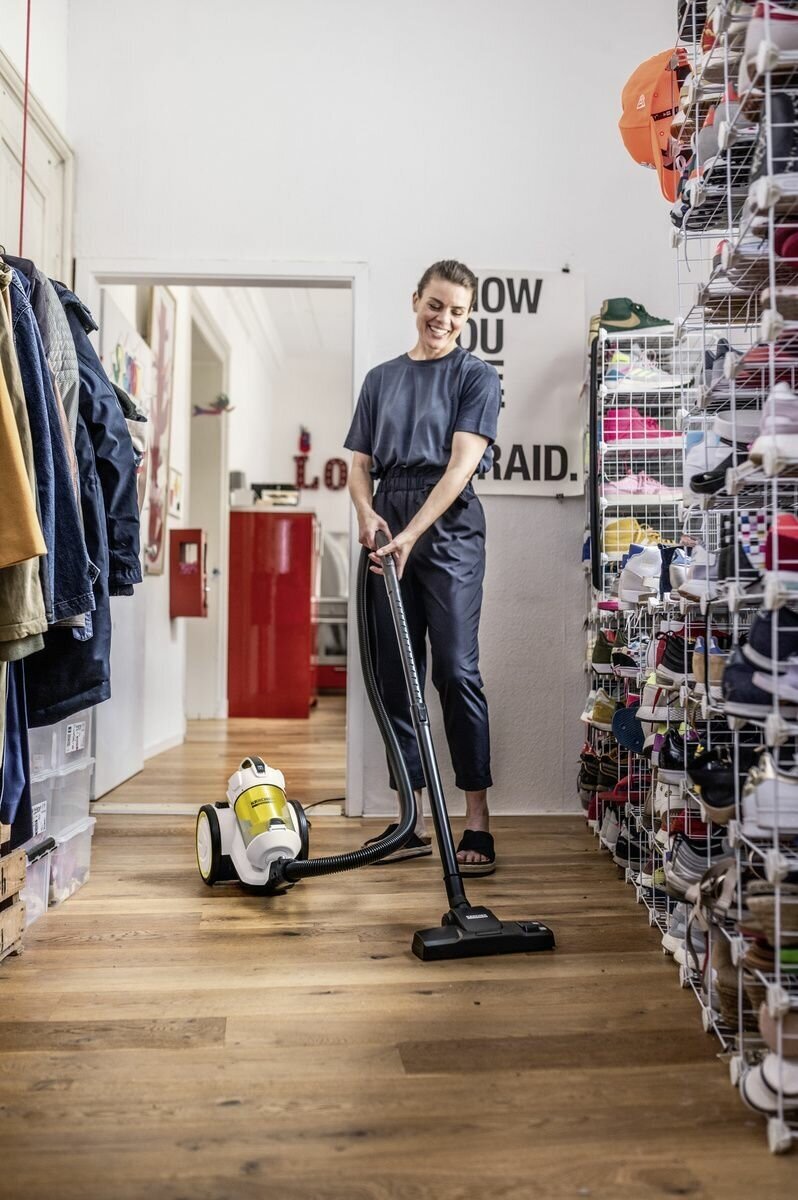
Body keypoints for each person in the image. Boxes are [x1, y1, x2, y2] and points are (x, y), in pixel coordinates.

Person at [344, 259, 501, 875]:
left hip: (449, 526)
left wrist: (412, 532)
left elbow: (461, 465)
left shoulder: (475, 377)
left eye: (458, 311)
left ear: (468, 318)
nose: (445, 319)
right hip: (387, 521)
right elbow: (359, 462)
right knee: (393, 673)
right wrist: (367, 513)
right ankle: (411, 817)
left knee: (456, 672)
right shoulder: (381, 379)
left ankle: (477, 820)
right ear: (416, 301)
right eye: (436, 305)